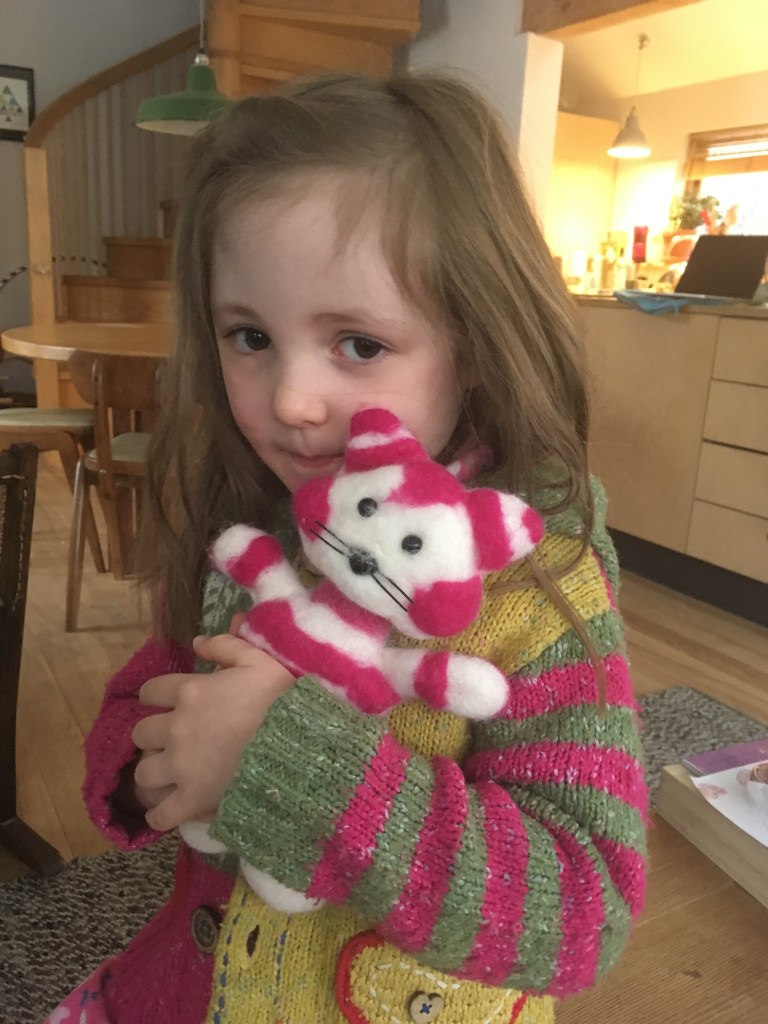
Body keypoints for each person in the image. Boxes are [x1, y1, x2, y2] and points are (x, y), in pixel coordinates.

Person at [45, 70, 648, 1024]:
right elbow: (144, 694)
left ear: (478, 345)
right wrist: (152, 761)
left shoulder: (542, 593)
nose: (290, 399)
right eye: (250, 336)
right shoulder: (253, 530)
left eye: (359, 345)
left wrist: (289, 767)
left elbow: (582, 911)